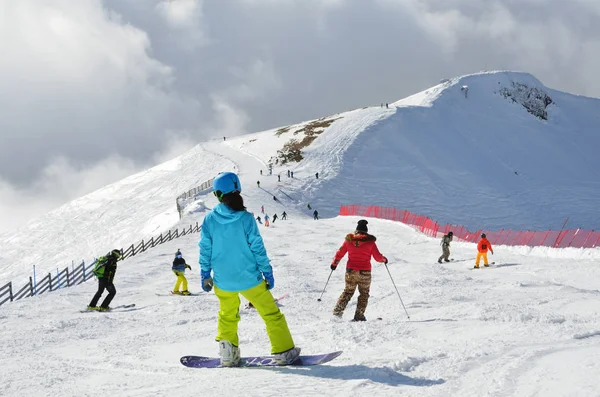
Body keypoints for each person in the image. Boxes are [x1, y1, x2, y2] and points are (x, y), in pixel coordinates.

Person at [199, 172, 300, 366]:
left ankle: (228, 355)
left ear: (218, 194)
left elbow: (205, 249)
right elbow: (257, 247)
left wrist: (205, 273)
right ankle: (283, 351)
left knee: (227, 315)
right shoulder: (246, 218)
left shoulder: (209, 220)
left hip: (223, 280)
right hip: (250, 279)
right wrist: (266, 271)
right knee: (271, 314)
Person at [330, 220, 388, 321]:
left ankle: (337, 313)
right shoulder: (370, 243)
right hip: (364, 272)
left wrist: (334, 264)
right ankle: (359, 316)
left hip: (350, 271)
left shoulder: (348, 240)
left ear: (356, 230)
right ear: (366, 231)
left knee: (348, 291)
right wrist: (384, 259)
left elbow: (340, 253)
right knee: (364, 293)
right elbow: (377, 257)